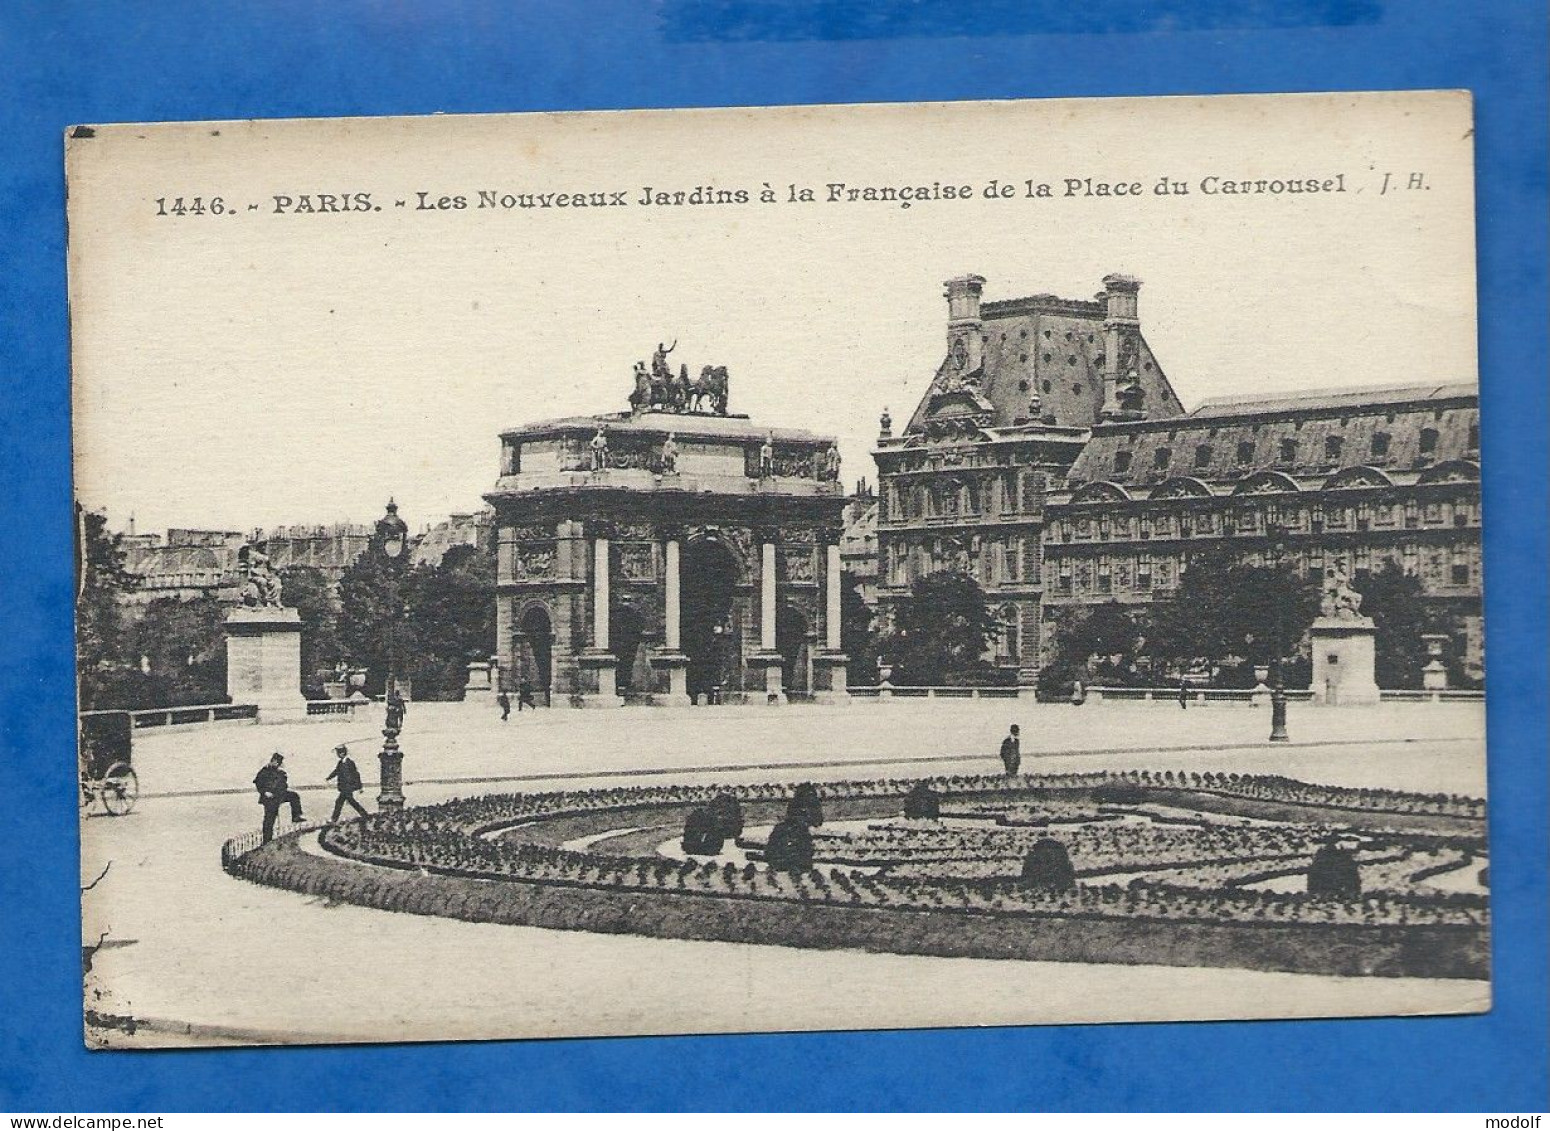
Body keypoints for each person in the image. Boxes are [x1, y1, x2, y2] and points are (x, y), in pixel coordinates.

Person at [254, 752, 303, 843]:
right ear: (273, 761)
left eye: (279, 763)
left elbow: (284, 785)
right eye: (277, 762)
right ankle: (267, 840)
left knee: (294, 796)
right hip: (269, 798)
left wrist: (283, 779)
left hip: (279, 795)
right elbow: (258, 783)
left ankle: (296, 816)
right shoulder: (264, 771)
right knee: (270, 818)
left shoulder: (280, 772)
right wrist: (265, 792)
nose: (278, 765)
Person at [325, 744, 369, 822]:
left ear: (342, 753)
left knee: (341, 802)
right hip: (343, 787)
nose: (338, 755)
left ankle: (334, 819)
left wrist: (360, 787)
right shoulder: (340, 763)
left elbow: (356, 774)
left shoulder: (350, 763)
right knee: (350, 802)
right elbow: (336, 771)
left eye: (338, 753)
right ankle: (365, 815)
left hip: (348, 787)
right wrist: (329, 777)